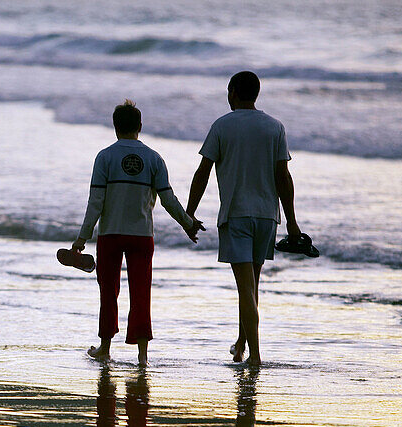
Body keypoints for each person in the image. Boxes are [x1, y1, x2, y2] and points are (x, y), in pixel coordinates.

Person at [68, 100, 204, 366]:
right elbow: (168, 200)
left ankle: (105, 348)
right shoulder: (154, 158)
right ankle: (142, 356)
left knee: (109, 290)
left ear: (115, 126)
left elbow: (95, 202)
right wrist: (188, 224)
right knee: (141, 292)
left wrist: (82, 238)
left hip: (111, 235)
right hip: (142, 236)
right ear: (140, 126)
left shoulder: (105, 157)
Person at [185, 71, 302, 367]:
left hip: (236, 215)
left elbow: (203, 172)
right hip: (266, 217)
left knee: (245, 289)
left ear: (235, 92)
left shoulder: (222, 126)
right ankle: (240, 344)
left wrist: (189, 212)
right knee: (252, 287)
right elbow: (283, 177)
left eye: (228, 91)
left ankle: (256, 356)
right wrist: (291, 222)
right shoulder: (274, 127)